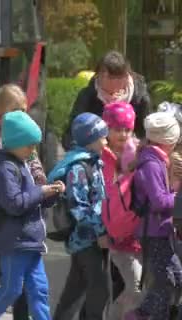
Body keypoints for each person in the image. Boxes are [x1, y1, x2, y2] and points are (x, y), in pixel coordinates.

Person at [0, 111, 63, 320]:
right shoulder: (4, 168)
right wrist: (41, 192)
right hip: (14, 241)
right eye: (29, 145)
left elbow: (31, 200)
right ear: (14, 143)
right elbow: (14, 203)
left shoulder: (21, 163)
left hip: (30, 240)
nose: (33, 151)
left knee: (39, 291)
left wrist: (52, 194)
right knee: (9, 291)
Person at [50, 113, 111, 320]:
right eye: (102, 136)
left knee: (75, 290)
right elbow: (79, 207)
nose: (106, 140)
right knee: (98, 289)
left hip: (88, 238)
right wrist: (100, 230)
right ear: (89, 139)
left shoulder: (92, 162)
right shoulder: (78, 167)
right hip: (85, 239)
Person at [124, 112, 182, 320]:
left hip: (161, 230)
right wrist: (178, 196)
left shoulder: (157, 159)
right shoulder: (151, 163)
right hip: (153, 232)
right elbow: (159, 201)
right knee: (165, 282)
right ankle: (141, 315)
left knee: (174, 278)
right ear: (169, 139)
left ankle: (143, 314)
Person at [100, 102, 143, 319]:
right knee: (120, 285)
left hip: (134, 232)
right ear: (106, 129)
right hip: (109, 232)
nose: (123, 134)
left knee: (133, 286)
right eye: (117, 129)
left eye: (127, 129)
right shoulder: (101, 156)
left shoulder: (136, 152)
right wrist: (101, 232)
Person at [62, 50, 150, 150]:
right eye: (101, 75)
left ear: (125, 76)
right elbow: (71, 134)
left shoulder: (139, 98)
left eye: (112, 77)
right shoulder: (87, 96)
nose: (103, 79)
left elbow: (147, 134)